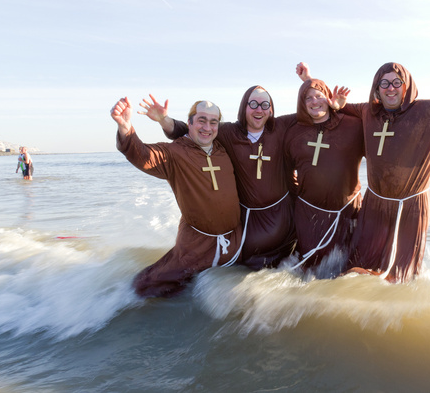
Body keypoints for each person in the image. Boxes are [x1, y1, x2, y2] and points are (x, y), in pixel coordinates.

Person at [313, 48, 430, 283]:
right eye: (384, 83)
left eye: (396, 82)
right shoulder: (367, 112)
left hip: (410, 208)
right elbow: (338, 108)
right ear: (376, 89)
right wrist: (331, 100)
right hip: (374, 207)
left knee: (399, 277)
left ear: (406, 86)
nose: (390, 88)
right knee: (355, 269)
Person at [140, 87, 299, 270]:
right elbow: (195, 131)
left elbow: (313, 112)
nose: (259, 109)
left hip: (283, 218)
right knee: (244, 273)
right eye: (253, 103)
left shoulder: (281, 128)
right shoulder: (229, 133)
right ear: (244, 107)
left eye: (265, 104)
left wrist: (308, 80)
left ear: (271, 110)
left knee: (287, 271)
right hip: (248, 226)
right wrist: (164, 120)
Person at [111, 97, 244, 298]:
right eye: (201, 120)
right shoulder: (175, 152)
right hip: (196, 244)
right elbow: (143, 155)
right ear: (190, 123)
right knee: (150, 286)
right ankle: (121, 301)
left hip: (233, 241)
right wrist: (125, 126)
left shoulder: (223, 148)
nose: (207, 127)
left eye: (213, 121)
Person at [283, 77, 362, 277]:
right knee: (309, 271)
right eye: (308, 98)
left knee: (344, 270)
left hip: (346, 212)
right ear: (302, 104)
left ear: (329, 97)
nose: (314, 101)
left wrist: (427, 162)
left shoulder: (353, 126)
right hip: (308, 214)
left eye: (319, 96)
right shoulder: (294, 133)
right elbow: (283, 170)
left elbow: (382, 151)